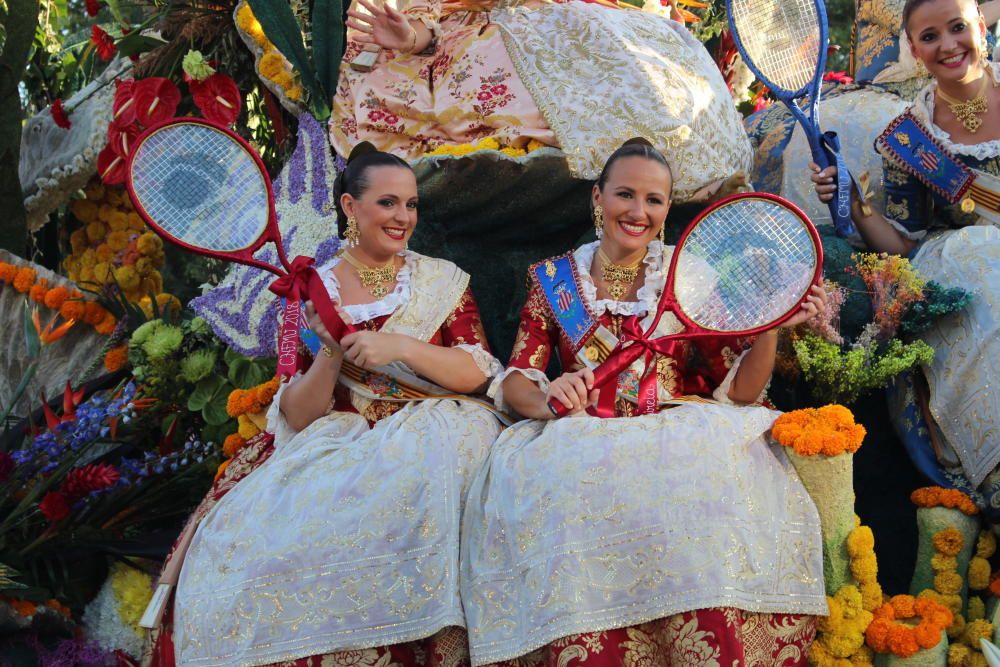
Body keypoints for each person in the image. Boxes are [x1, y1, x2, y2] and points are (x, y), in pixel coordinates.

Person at [460, 140, 829, 665]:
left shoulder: (691, 276)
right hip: (582, 433)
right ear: (597, 197)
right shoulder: (553, 280)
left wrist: (769, 326)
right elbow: (519, 376)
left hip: (675, 429)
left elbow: (740, 392)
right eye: (625, 195)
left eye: (654, 200)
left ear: (666, 208)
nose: (638, 212)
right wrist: (548, 398)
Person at [163, 145, 504, 665]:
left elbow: (479, 373)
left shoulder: (441, 279)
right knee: (260, 549)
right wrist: (326, 351)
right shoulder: (313, 288)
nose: (403, 218)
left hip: (437, 427)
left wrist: (402, 347)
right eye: (388, 203)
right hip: (344, 438)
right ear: (350, 206)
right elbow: (299, 415)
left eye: (411, 205)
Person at [811, 0, 1000, 517]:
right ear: (915, 50)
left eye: (958, 28)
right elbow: (906, 245)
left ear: (980, 28)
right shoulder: (907, 141)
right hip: (964, 263)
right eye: (931, 36)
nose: (948, 45)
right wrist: (853, 204)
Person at [331, 0, 752, 201]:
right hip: (485, 40)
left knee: (644, 62)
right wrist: (408, 37)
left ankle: (698, 177)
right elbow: (424, 24)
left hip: (572, 20)